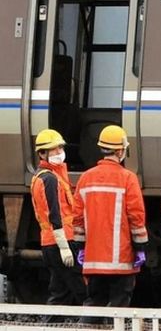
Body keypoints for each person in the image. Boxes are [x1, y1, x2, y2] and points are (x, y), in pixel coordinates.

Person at [72, 125, 148, 320]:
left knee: (93, 305)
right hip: (121, 262)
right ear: (121, 150)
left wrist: (81, 247)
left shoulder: (85, 179)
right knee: (119, 311)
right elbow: (136, 217)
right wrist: (140, 247)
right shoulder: (128, 179)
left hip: (93, 261)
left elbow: (77, 219)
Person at [30, 129, 86, 309]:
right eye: (53, 149)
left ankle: (49, 324)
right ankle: (96, 324)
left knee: (60, 292)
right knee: (82, 290)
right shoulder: (49, 179)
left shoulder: (48, 176)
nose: (59, 152)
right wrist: (64, 248)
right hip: (61, 243)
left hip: (51, 243)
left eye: (60, 147)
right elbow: (54, 214)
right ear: (41, 153)